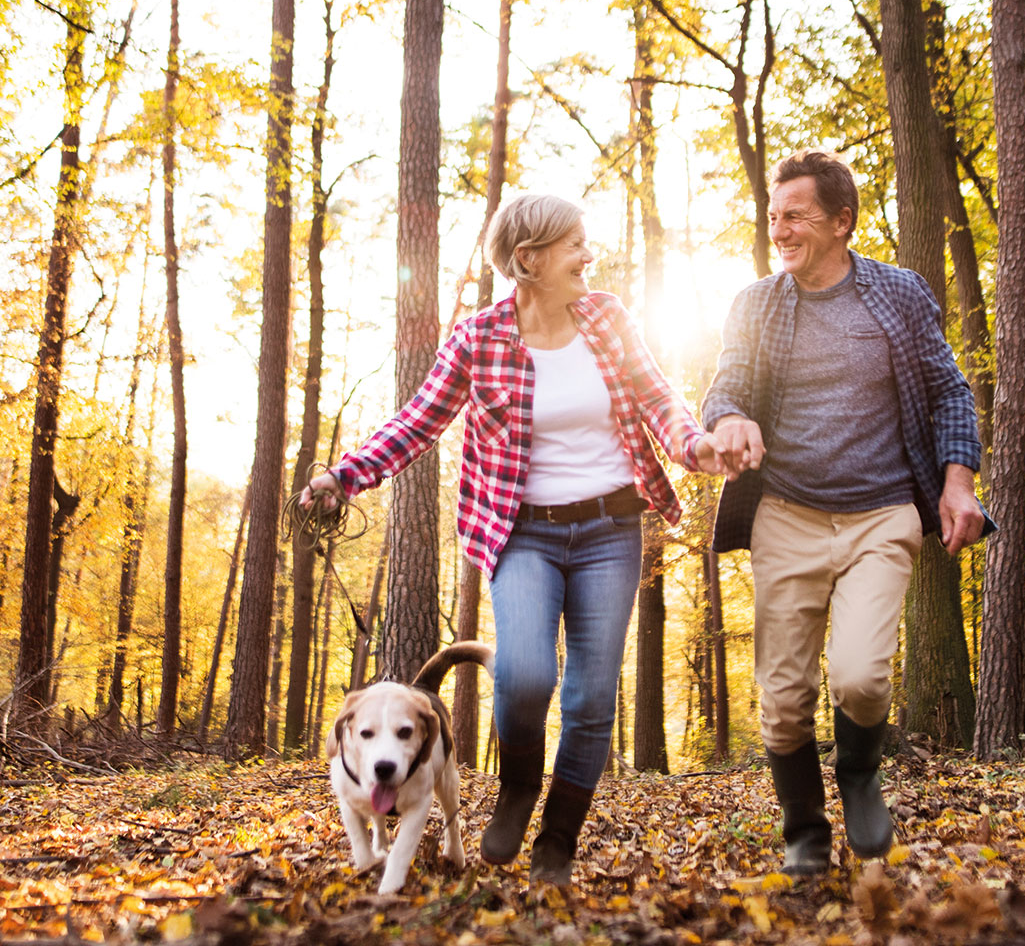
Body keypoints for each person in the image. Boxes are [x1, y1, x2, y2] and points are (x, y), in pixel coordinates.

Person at [305, 193, 724, 885]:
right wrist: (342, 478)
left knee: (591, 698)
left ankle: (558, 834)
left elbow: (660, 400)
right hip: (522, 532)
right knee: (525, 674)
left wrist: (698, 447)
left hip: (611, 527)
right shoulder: (479, 339)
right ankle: (520, 785)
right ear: (529, 260)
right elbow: (416, 422)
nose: (589, 256)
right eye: (574, 245)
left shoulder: (608, 318)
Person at [703, 148, 987, 876]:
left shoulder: (898, 294)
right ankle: (804, 826)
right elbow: (726, 384)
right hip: (787, 515)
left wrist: (957, 484)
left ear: (841, 222)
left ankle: (859, 776)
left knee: (860, 676)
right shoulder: (757, 303)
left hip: (881, 513)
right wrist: (731, 418)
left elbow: (951, 390)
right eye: (774, 216)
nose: (782, 228)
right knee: (785, 695)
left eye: (795, 215)